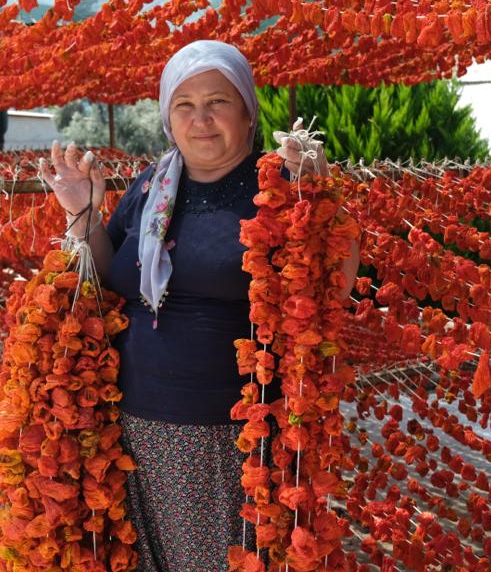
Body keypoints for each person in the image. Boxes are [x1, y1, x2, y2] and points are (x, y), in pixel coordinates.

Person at [40, 40, 358, 572]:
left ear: (249, 113)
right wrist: (84, 212)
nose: (201, 119)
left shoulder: (279, 185)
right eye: (184, 105)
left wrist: (320, 199)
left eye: (219, 102)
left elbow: (333, 291)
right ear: (167, 117)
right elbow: (112, 277)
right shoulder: (152, 186)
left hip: (224, 430)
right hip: (134, 422)